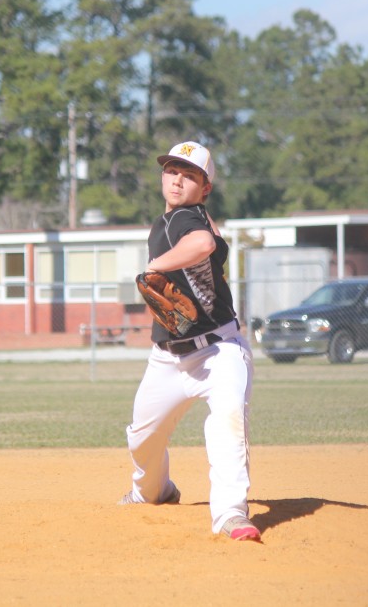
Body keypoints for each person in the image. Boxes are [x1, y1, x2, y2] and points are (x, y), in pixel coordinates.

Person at [118, 141, 260, 542]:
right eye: (171, 170)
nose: (177, 179)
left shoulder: (185, 219)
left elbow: (203, 243)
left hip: (219, 352)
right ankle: (155, 491)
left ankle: (231, 514)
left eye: (190, 174)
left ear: (205, 187)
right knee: (142, 439)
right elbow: (212, 239)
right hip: (167, 358)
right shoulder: (174, 221)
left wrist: (154, 266)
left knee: (228, 422)